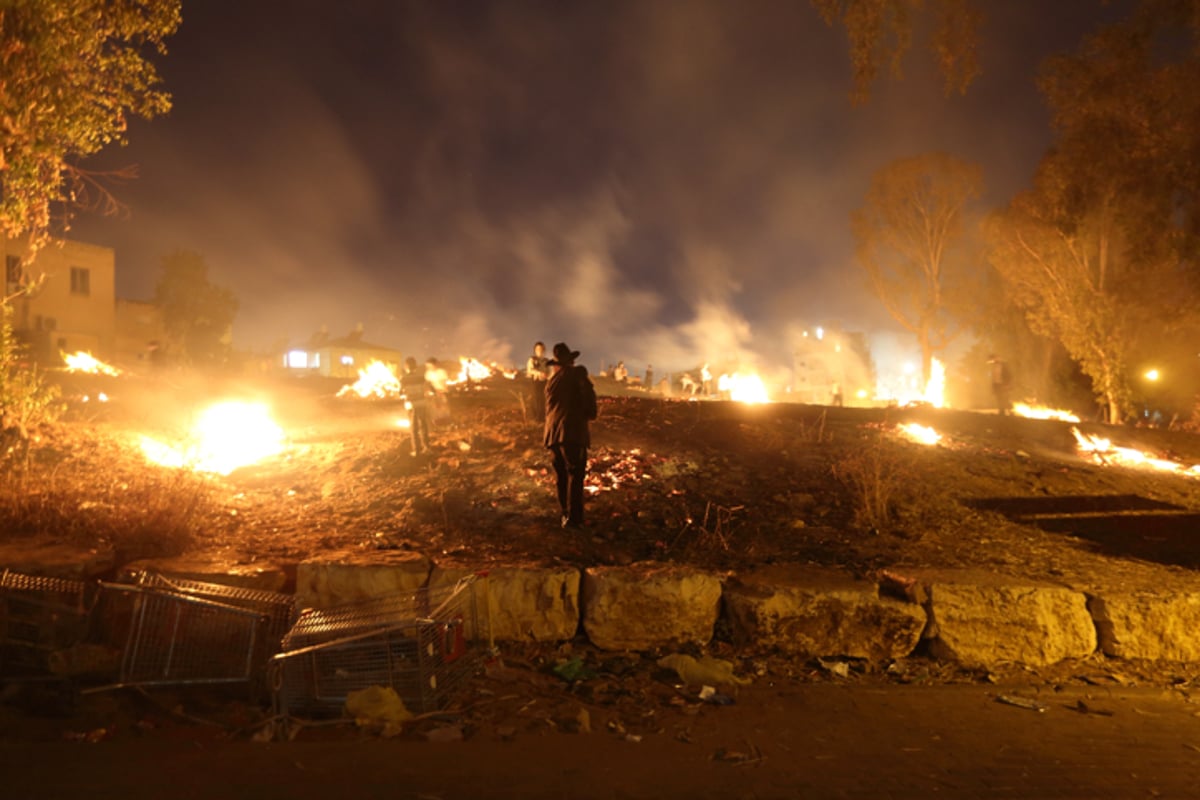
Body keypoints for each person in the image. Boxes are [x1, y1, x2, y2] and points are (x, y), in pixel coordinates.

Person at [544, 342, 597, 529]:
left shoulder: (552, 382)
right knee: (575, 474)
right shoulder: (578, 373)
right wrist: (590, 413)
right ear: (572, 362)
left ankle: (565, 515)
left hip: (552, 435)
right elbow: (589, 399)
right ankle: (575, 519)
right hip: (572, 432)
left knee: (561, 476)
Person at [401, 356, 431, 455]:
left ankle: (416, 450)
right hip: (421, 403)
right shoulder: (421, 377)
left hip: (411, 405)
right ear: (416, 366)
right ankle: (426, 447)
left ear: (406, 367)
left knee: (413, 427)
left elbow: (401, 393)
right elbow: (427, 389)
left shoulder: (404, 379)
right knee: (423, 425)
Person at [526, 341, 550, 420]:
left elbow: (549, 371)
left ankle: (542, 417)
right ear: (535, 350)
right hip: (536, 382)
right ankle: (536, 417)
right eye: (538, 349)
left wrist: (548, 376)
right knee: (536, 399)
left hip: (544, 382)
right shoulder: (532, 359)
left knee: (543, 399)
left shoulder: (546, 361)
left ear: (544, 350)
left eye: (541, 349)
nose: (540, 350)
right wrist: (540, 373)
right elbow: (530, 370)